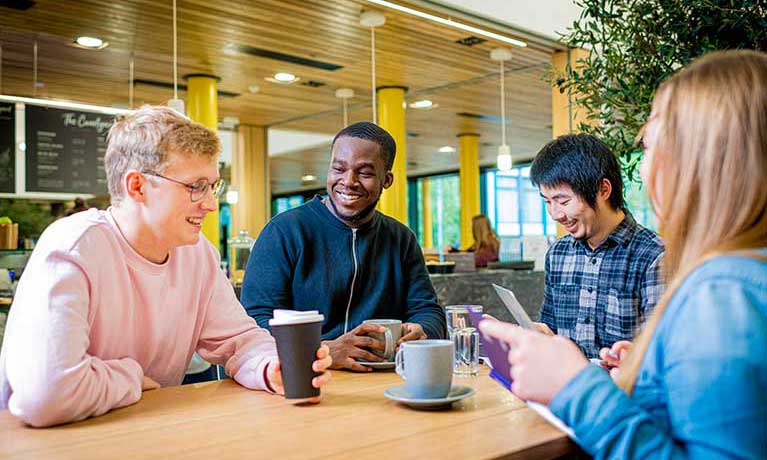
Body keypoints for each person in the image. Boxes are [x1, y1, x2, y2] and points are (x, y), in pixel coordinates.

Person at [479, 50, 767, 459]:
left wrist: (574, 387)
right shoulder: (743, 276)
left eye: (648, 148)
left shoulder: (721, 293)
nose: (644, 169)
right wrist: (651, 368)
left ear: (703, 161)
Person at [0, 106, 332, 427]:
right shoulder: (74, 247)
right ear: (137, 186)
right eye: (195, 186)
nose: (211, 204)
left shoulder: (197, 254)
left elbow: (239, 340)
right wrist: (131, 377)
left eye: (212, 186)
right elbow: (46, 396)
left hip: (146, 432)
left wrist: (270, 365)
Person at [241, 122, 446, 371]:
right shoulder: (284, 231)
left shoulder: (401, 239)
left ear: (387, 180)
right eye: (338, 168)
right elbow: (254, 322)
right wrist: (323, 349)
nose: (348, 181)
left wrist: (422, 330)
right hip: (304, 380)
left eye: (365, 173)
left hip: (382, 383)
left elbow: (428, 311)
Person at [529, 133, 664, 358]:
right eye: (547, 202)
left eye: (563, 201)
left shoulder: (653, 256)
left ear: (603, 190)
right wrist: (540, 335)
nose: (555, 214)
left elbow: (660, 353)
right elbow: (550, 326)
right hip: (564, 388)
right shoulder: (558, 253)